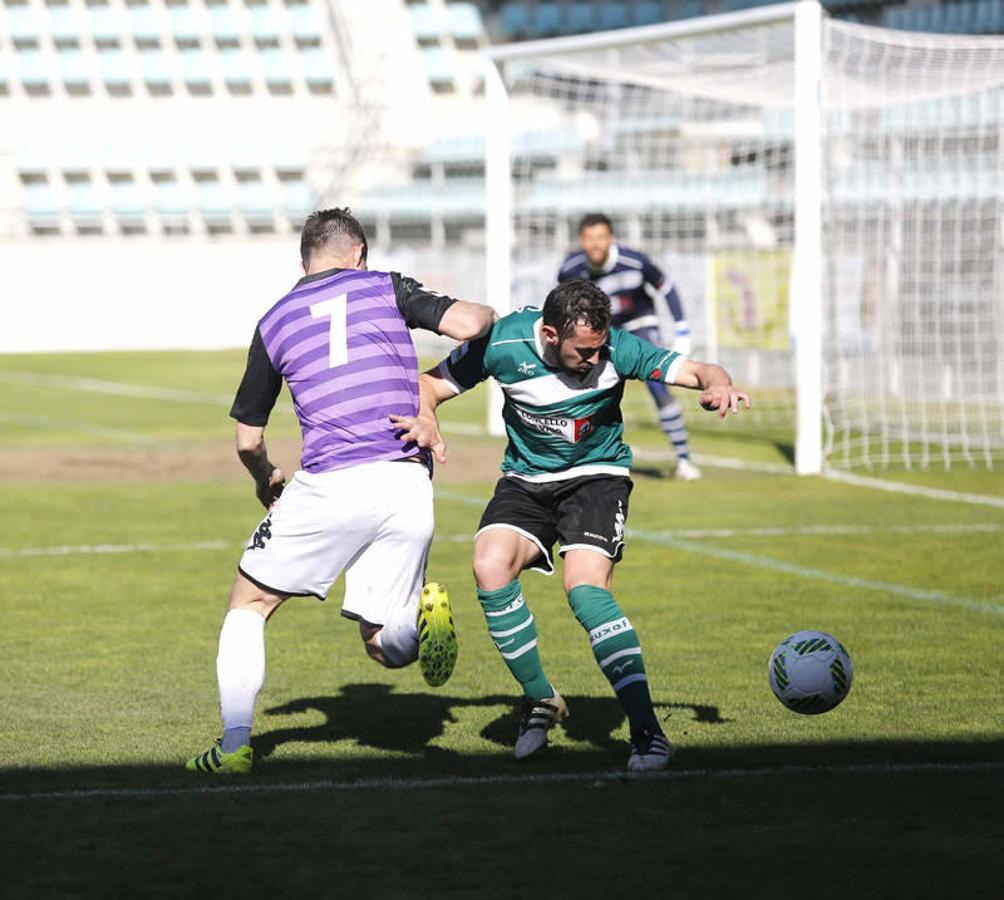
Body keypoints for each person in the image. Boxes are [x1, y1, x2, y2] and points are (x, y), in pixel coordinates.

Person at [185, 207, 495, 775]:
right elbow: (473, 324)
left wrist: (266, 480)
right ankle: (417, 620)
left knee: (249, 603)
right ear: (358, 254)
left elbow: (247, 438)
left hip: (331, 482)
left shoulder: (276, 319)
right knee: (382, 642)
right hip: (407, 482)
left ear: (303, 259)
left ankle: (233, 748)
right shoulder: (387, 287)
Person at [394, 278, 749, 771]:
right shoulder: (503, 343)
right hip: (525, 480)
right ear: (549, 333)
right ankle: (541, 698)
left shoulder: (618, 349)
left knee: (584, 589)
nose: (594, 360)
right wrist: (427, 416)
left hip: (596, 478)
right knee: (489, 564)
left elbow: (698, 370)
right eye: (583, 351)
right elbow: (428, 383)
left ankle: (648, 735)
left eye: (599, 350)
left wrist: (718, 383)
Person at [558, 213, 702, 480]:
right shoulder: (570, 270)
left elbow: (667, 287)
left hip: (640, 323)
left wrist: (681, 330)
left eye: (601, 237)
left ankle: (683, 460)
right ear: (582, 241)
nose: (596, 244)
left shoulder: (634, 261)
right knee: (578, 387)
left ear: (611, 238)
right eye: (590, 239)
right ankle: (576, 456)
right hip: (600, 330)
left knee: (658, 384)